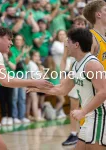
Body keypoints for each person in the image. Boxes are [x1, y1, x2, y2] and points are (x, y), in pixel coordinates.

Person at [27, 28, 106, 150]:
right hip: (89, 118)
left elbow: (103, 92)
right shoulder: (76, 64)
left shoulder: (92, 64)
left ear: (76, 45)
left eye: (68, 42)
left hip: (99, 116)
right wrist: (39, 89)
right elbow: (62, 90)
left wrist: (83, 112)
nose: (66, 45)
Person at [60, 15, 87, 146]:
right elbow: (64, 58)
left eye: (82, 23)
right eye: (78, 23)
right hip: (74, 72)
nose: (80, 25)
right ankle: (73, 133)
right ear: (73, 24)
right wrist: (62, 74)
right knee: (73, 104)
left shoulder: (91, 37)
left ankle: (88, 131)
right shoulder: (68, 40)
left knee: (91, 103)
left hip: (88, 72)